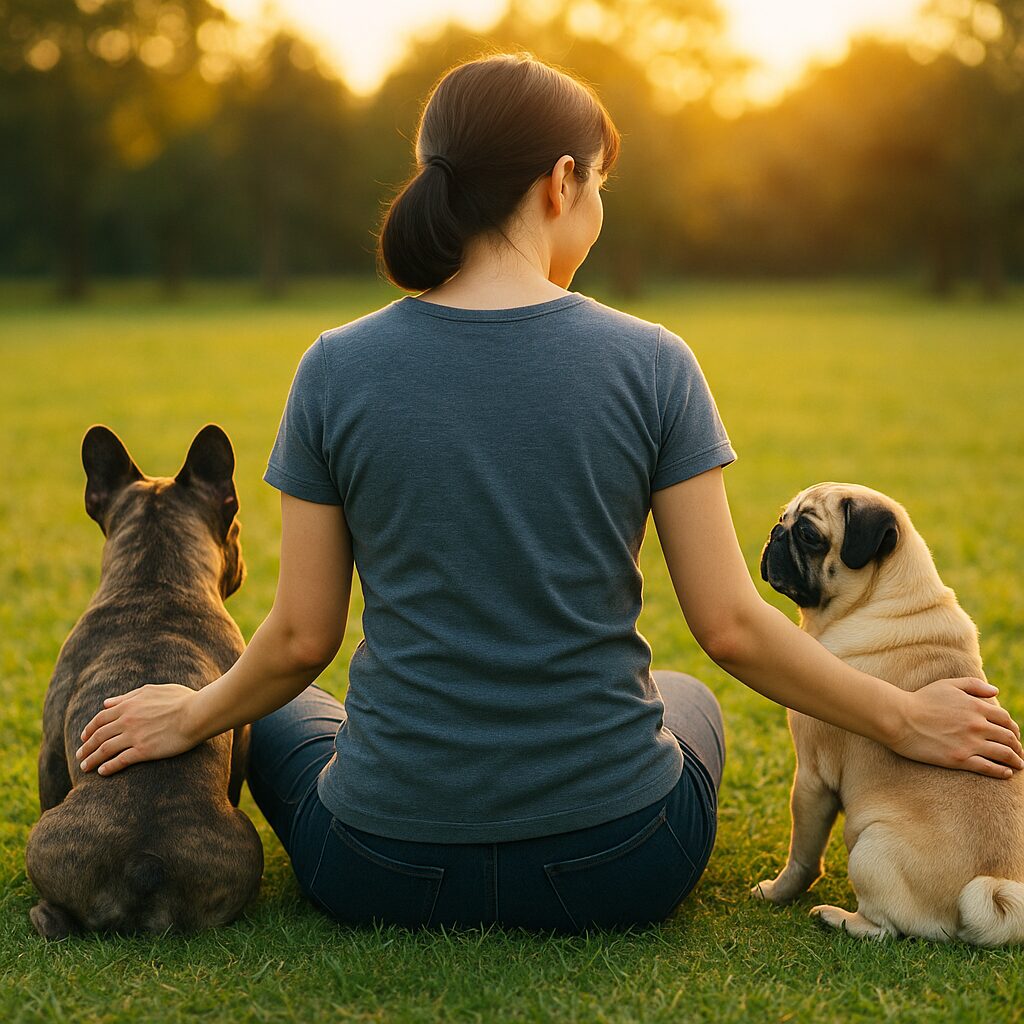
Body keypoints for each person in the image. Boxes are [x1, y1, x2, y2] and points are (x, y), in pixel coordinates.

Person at [76, 51, 1023, 933]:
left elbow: (297, 641)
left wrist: (188, 712)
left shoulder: (334, 366)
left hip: (378, 866)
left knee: (280, 709)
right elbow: (730, 628)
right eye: (600, 186)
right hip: (621, 863)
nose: (597, 208)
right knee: (681, 690)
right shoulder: (655, 362)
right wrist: (904, 715)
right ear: (562, 181)